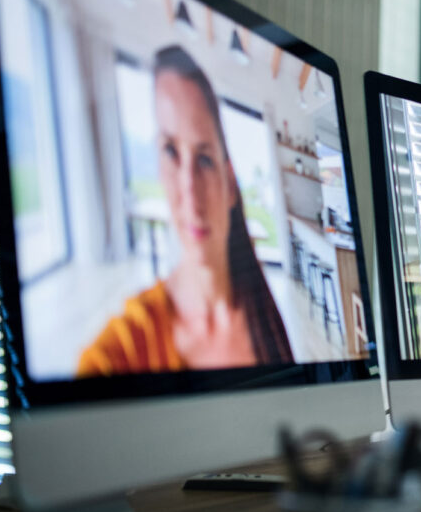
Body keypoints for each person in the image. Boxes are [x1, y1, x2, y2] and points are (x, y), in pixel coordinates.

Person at [78, 46, 293, 375]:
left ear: (231, 185)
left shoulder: (265, 321)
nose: (190, 191)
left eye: (205, 159)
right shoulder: (116, 355)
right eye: (171, 152)